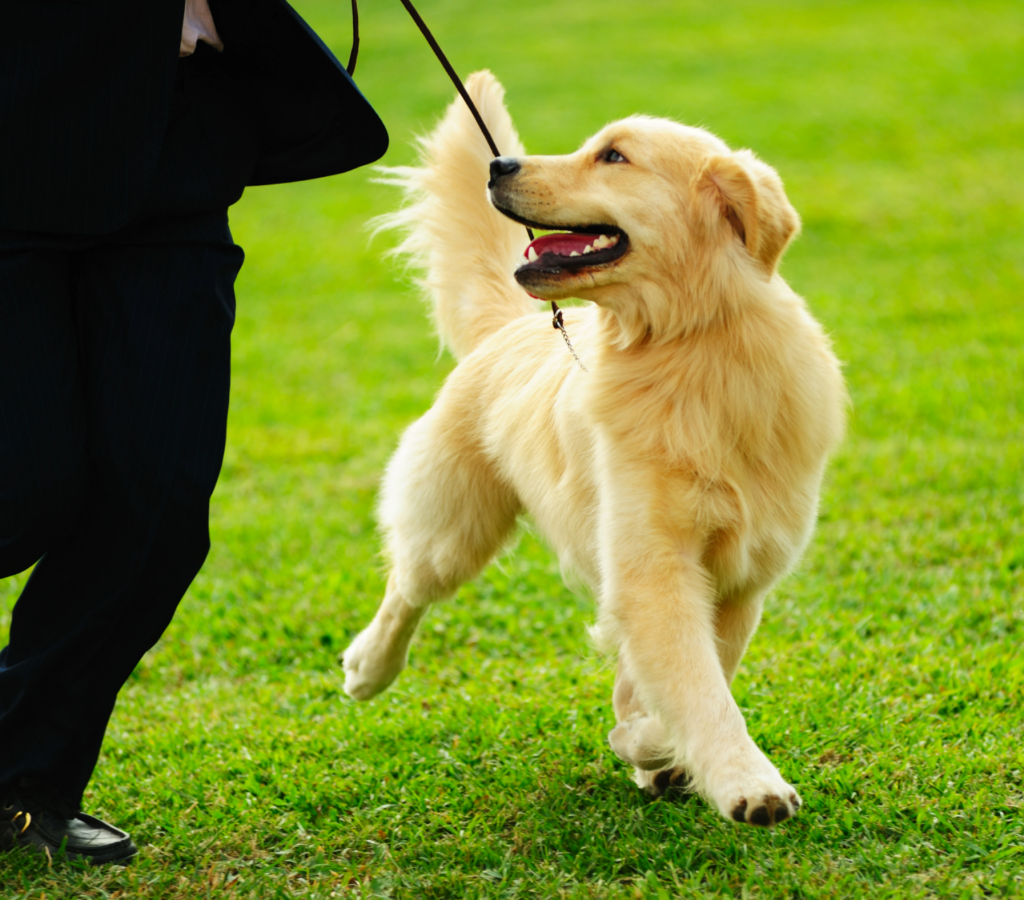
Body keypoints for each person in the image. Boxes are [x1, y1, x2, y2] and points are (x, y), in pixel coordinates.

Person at [0, 0, 387, 864]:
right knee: (21, 489)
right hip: (15, 124)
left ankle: (20, 780)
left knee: (156, 509)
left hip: (172, 145)